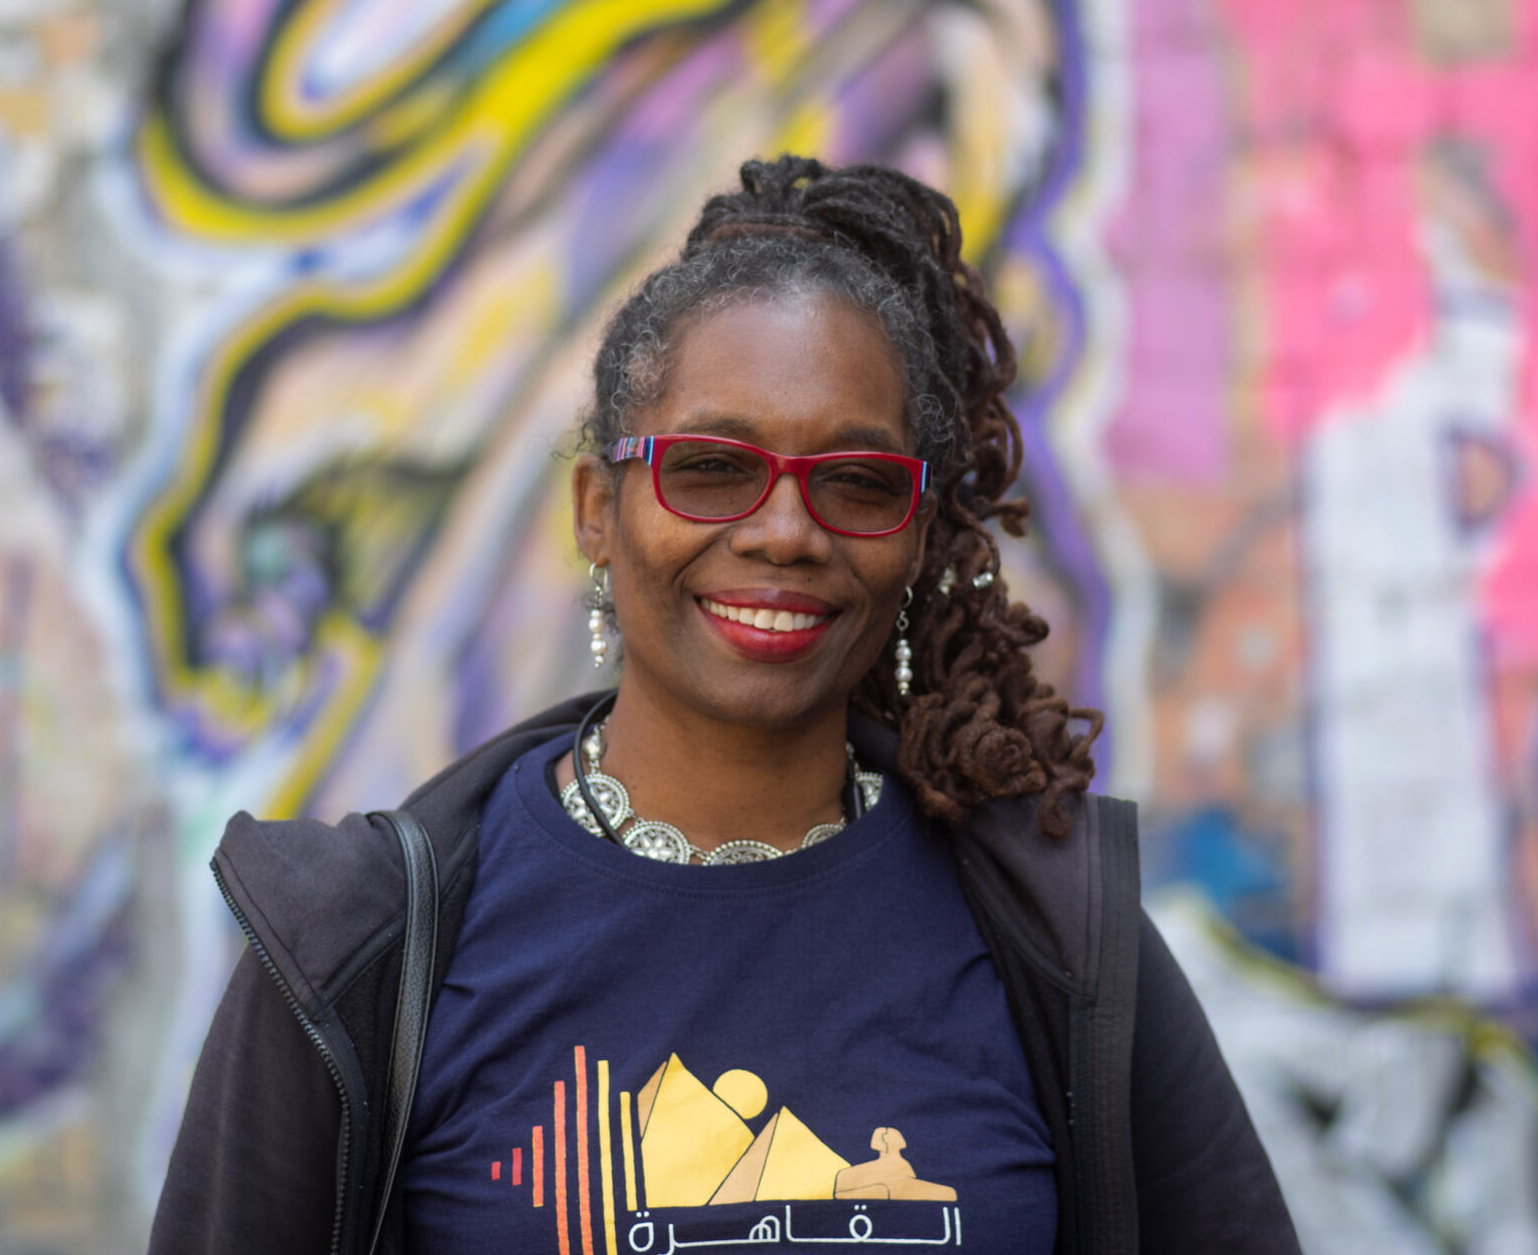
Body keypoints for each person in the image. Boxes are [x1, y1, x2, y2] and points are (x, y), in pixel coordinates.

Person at [149, 156, 1300, 1255]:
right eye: (710, 467)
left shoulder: (1057, 937)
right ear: (597, 508)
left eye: (856, 482)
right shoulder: (362, 951)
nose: (784, 531)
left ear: (916, 534)